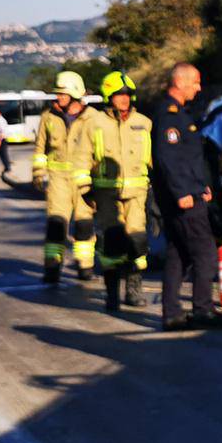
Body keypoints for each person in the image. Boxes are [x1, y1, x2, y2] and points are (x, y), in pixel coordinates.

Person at [150, 61, 222, 331]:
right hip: (183, 198)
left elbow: (187, 159)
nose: (199, 87)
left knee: (178, 253)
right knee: (205, 251)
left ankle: (172, 313)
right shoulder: (170, 115)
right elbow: (167, 158)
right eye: (195, 81)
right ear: (180, 82)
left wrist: (201, 186)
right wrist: (183, 192)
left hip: (189, 192)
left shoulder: (180, 113)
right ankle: (203, 310)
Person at [82, 70, 154, 313]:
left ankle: (134, 290)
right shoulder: (95, 124)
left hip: (137, 192)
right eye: (118, 95)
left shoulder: (144, 123)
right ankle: (112, 294)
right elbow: (83, 157)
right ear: (108, 96)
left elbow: (154, 159)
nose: (124, 99)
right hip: (105, 193)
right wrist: (85, 189)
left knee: (137, 241)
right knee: (111, 243)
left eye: (127, 94)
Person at [34, 71, 93, 286]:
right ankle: (52, 266)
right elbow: (40, 148)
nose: (57, 97)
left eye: (62, 93)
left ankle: (85, 265)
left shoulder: (92, 118)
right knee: (56, 224)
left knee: (84, 225)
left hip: (85, 181)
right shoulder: (48, 117)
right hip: (58, 179)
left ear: (75, 94)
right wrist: (39, 173)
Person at [0, 108, 11, 176]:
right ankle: (6, 167)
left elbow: (2, 131)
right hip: (1, 139)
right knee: (2, 154)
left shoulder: (0, 120)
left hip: (2, 139)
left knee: (3, 154)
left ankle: (7, 167)